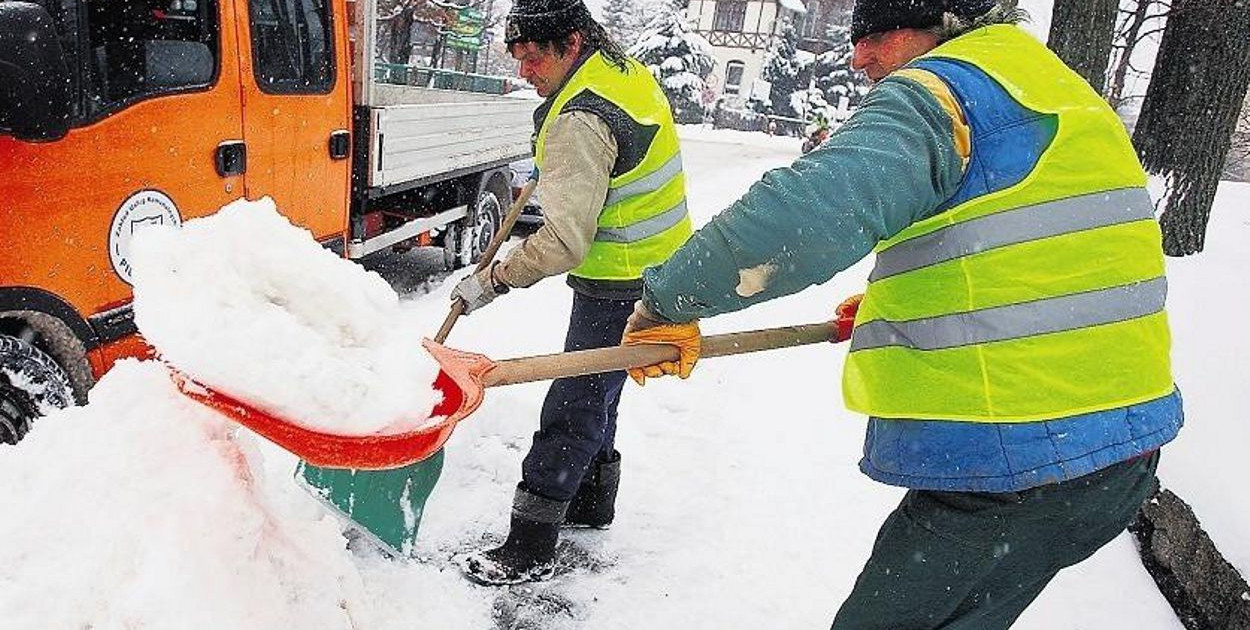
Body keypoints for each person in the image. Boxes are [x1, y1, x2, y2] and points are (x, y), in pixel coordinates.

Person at [620, 0, 1184, 627]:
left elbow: (803, 219)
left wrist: (667, 301)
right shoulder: (1054, 87)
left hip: (1020, 456)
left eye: (880, 33)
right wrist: (912, 297)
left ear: (944, 22)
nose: (860, 56)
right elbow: (1055, 250)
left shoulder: (945, 91)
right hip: (1117, 456)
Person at [448, 0, 693, 585]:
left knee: (575, 401)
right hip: (657, 267)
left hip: (622, 278)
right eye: (518, 58)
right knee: (600, 387)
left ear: (573, 42)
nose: (524, 72)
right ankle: (590, 502)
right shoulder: (617, 72)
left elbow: (562, 243)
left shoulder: (579, 120)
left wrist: (494, 279)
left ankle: (528, 547)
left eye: (534, 58)